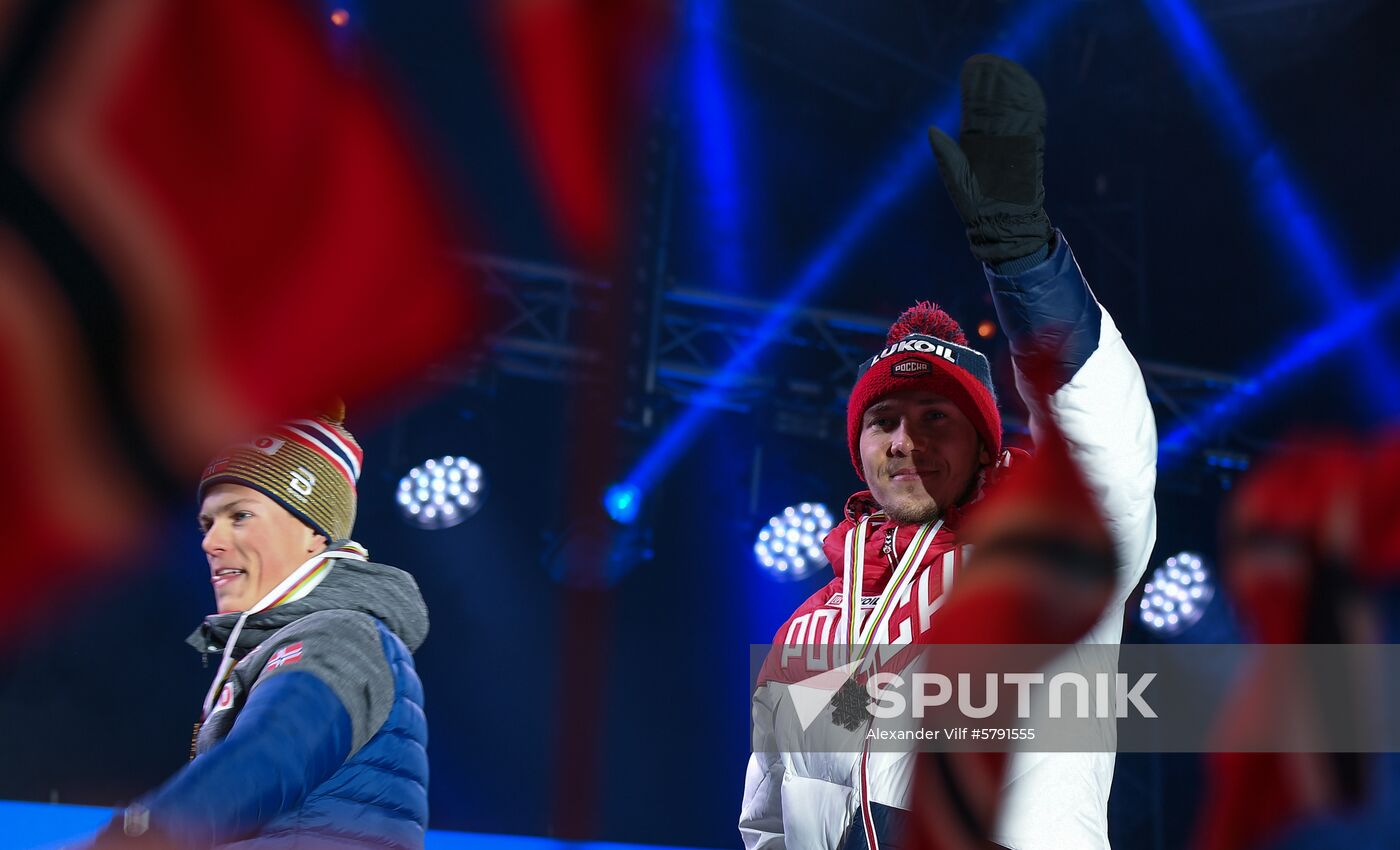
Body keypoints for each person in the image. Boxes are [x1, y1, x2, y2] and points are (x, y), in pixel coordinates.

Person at [739, 54, 1157, 850]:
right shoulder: (805, 631)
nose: (908, 441)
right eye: (885, 421)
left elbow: (1106, 445)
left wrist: (1027, 265)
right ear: (858, 447)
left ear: (982, 445)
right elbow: (768, 821)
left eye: (938, 418)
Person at [87, 405, 430, 849]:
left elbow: (271, 754)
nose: (211, 542)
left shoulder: (339, 635)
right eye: (207, 523)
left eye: (240, 516)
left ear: (315, 534)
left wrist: (130, 837)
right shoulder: (278, 649)